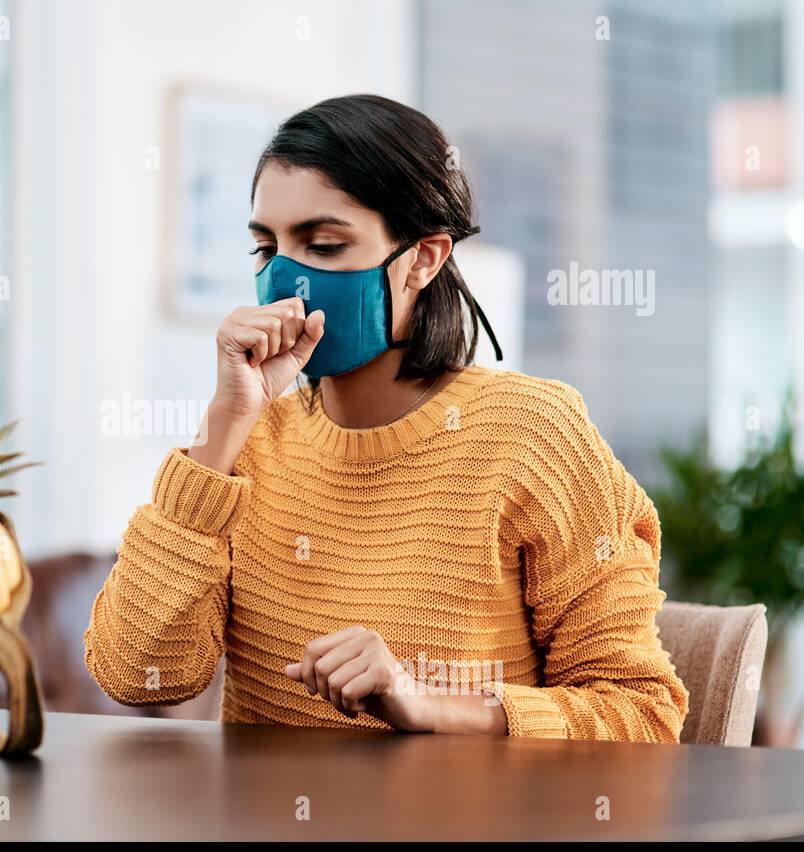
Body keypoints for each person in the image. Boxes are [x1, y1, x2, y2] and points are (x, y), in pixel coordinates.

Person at [83, 94, 688, 740]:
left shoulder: (533, 434)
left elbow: (642, 716)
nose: (288, 279)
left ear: (423, 259)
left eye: (322, 244)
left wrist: (427, 705)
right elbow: (134, 671)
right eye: (267, 249)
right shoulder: (245, 446)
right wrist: (223, 426)